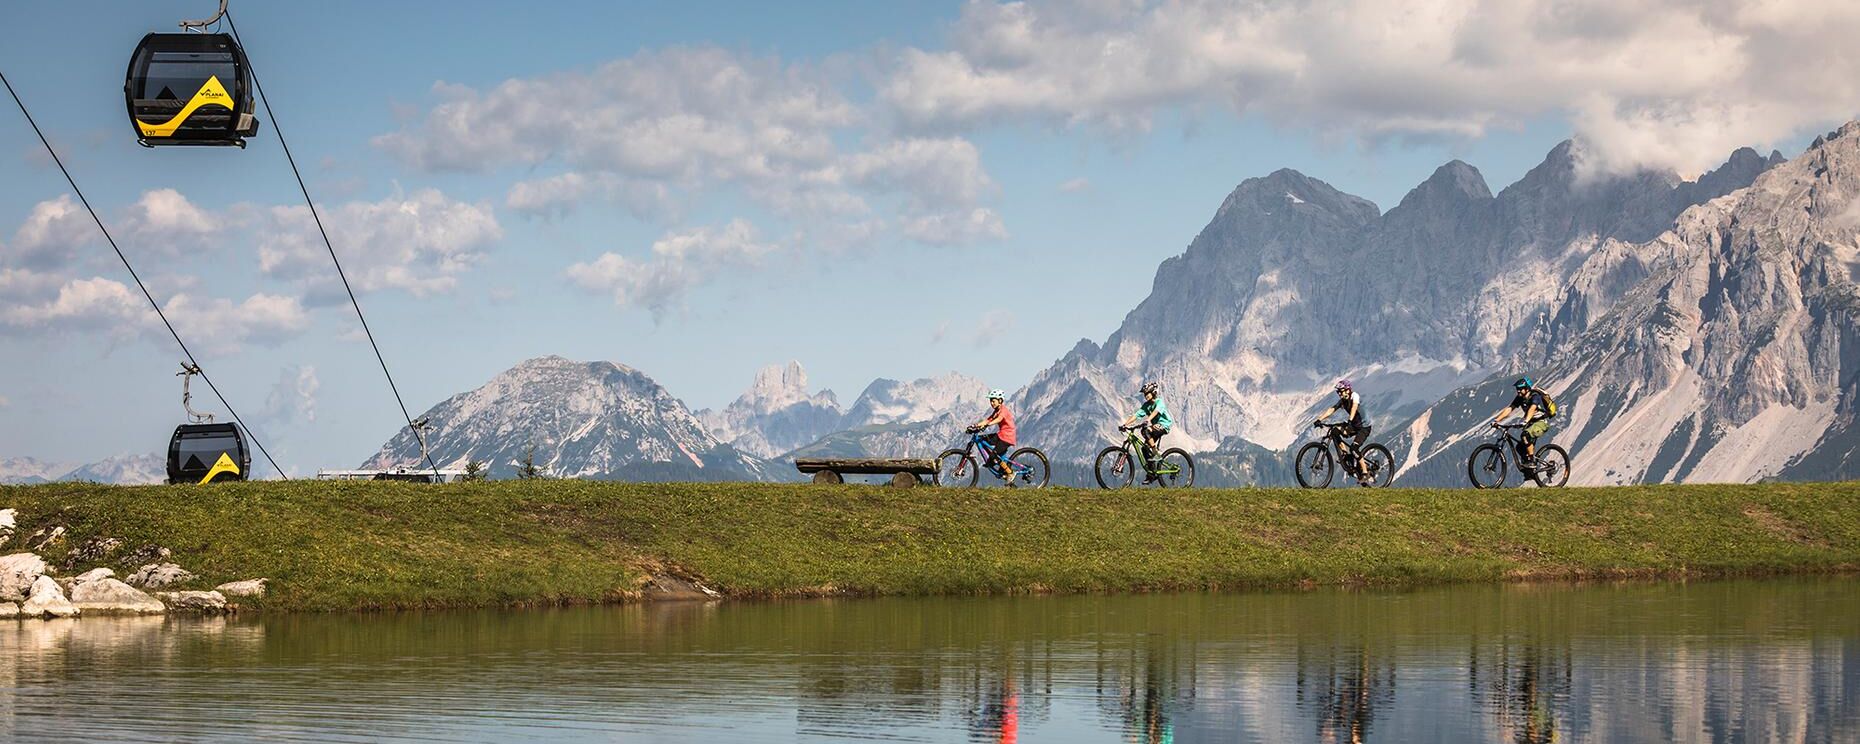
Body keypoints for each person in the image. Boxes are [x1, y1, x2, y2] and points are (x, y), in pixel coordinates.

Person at [1313, 379, 1371, 475]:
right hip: (1353, 425)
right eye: (1338, 392)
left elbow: (1354, 407)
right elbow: (1332, 409)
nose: (1339, 393)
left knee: (1354, 449)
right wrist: (1319, 419)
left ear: (1347, 390)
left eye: (1340, 391)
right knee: (1334, 431)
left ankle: (1365, 472)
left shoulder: (1354, 396)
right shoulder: (1342, 401)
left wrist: (1350, 420)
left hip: (1364, 427)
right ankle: (1345, 455)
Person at [1492, 376, 1551, 464]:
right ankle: (1529, 471)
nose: (1518, 391)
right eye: (1517, 389)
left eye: (1520, 389)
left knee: (1525, 435)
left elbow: (1532, 408)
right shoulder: (1520, 398)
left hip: (1541, 422)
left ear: (1527, 389)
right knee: (1520, 447)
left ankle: (1531, 460)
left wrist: (1525, 421)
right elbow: (1510, 409)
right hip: (1530, 423)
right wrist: (1496, 420)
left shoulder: (1535, 396)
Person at [1120, 381, 1172, 470]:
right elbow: (1136, 415)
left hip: (1164, 425)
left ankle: (1156, 453)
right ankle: (1152, 474)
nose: (1146, 395)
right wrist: (1125, 424)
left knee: (1146, 430)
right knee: (1145, 449)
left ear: (1153, 392)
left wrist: (1148, 420)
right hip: (1155, 426)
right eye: (1145, 394)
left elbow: (1156, 411)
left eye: (1148, 393)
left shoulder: (1159, 402)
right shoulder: (1146, 406)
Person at [967, 389, 1016, 473]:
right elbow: (987, 420)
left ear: (1000, 400)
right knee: (981, 439)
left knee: (994, 455)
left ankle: (1004, 468)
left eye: (993, 401)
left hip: (1007, 438)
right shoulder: (996, 411)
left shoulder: (1003, 410)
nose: (991, 403)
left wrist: (987, 425)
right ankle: (997, 462)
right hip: (1001, 435)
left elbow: (998, 419)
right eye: (990, 401)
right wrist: (975, 425)